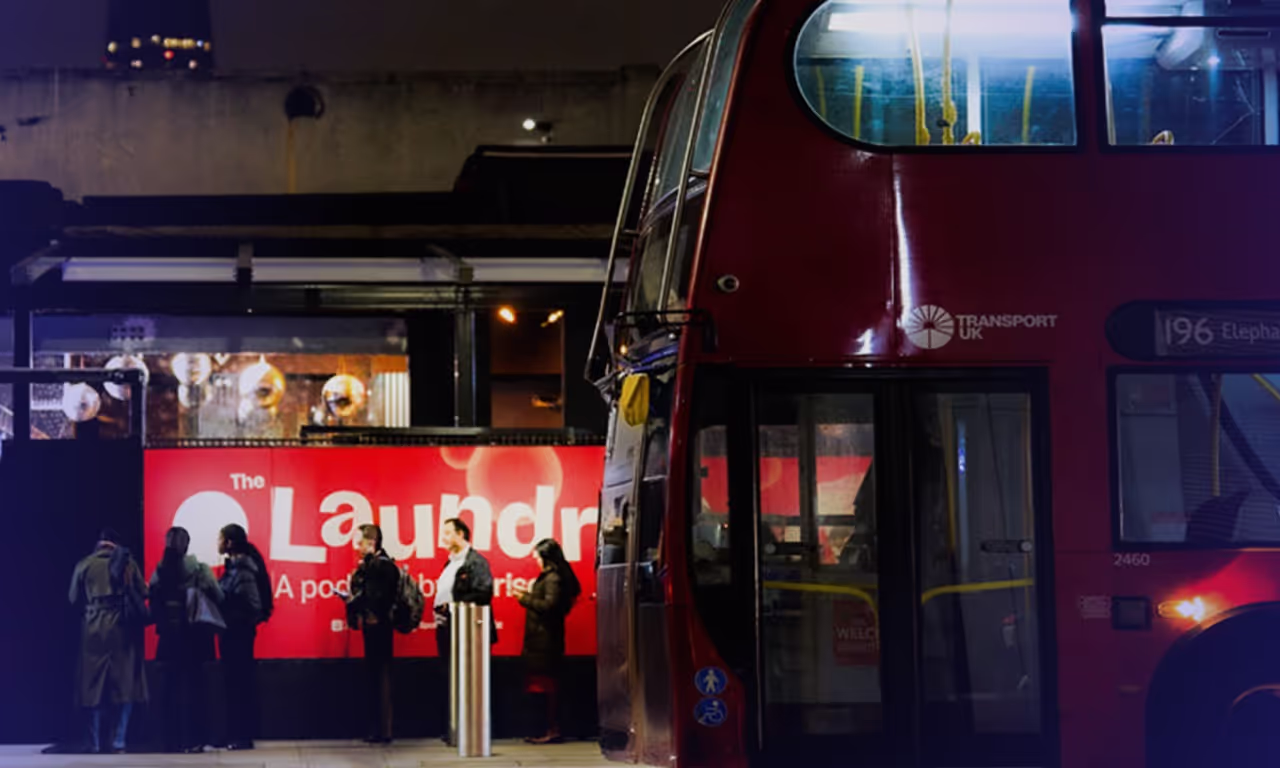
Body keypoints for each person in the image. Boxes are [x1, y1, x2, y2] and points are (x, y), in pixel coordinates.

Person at [68, 529, 148, 754]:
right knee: (125, 685)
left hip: (93, 628)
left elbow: (73, 598)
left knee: (91, 686)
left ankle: (93, 742)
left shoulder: (85, 564)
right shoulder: (128, 563)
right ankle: (119, 741)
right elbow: (143, 592)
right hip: (122, 628)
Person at [149, 526, 222, 753]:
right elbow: (219, 596)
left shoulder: (160, 571)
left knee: (169, 689)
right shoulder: (200, 569)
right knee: (196, 688)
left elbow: (152, 600)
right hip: (195, 636)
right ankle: (196, 739)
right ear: (187, 545)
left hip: (170, 638)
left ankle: (169, 741)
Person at [514, 538, 582, 744]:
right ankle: (546, 729)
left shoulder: (552, 578)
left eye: (537, 556)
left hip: (545, 641)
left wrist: (524, 599)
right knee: (543, 686)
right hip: (542, 640)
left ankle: (551, 729)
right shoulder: (551, 577)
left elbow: (550, 606)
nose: (535, 559)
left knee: (546, 687)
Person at [433, 517, 494, 744]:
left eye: (448, 533)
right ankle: (454, 729)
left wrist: (452, 606)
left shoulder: (475, 562)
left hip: (467, 630)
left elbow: (483, 594)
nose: (444, 538)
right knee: (449, 678)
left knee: (466, 681)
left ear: (461, 534)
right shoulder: (450, 563)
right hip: (447, 628)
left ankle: (469, 731)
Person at [345, 524, 401, 745]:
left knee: (381, 676)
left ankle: (383, 729)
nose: (356, 547)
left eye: (359, 542)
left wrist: (359, 603)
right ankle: (376, 727)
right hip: (372, 626)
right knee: (374, 676)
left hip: (381, 626)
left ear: (372, 542)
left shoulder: (384, 567)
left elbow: (379, 597)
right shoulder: (368, 566)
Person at [217, 523, 270, 751]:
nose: (217, 543)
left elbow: (253, 604)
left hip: (238, 634)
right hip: (234, 633)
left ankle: (241, 735)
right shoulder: (235, 567)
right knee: (234, 684)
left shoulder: (243, 568)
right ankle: (233, 733)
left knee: (238, 684)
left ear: (229, 542)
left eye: (220, 539)